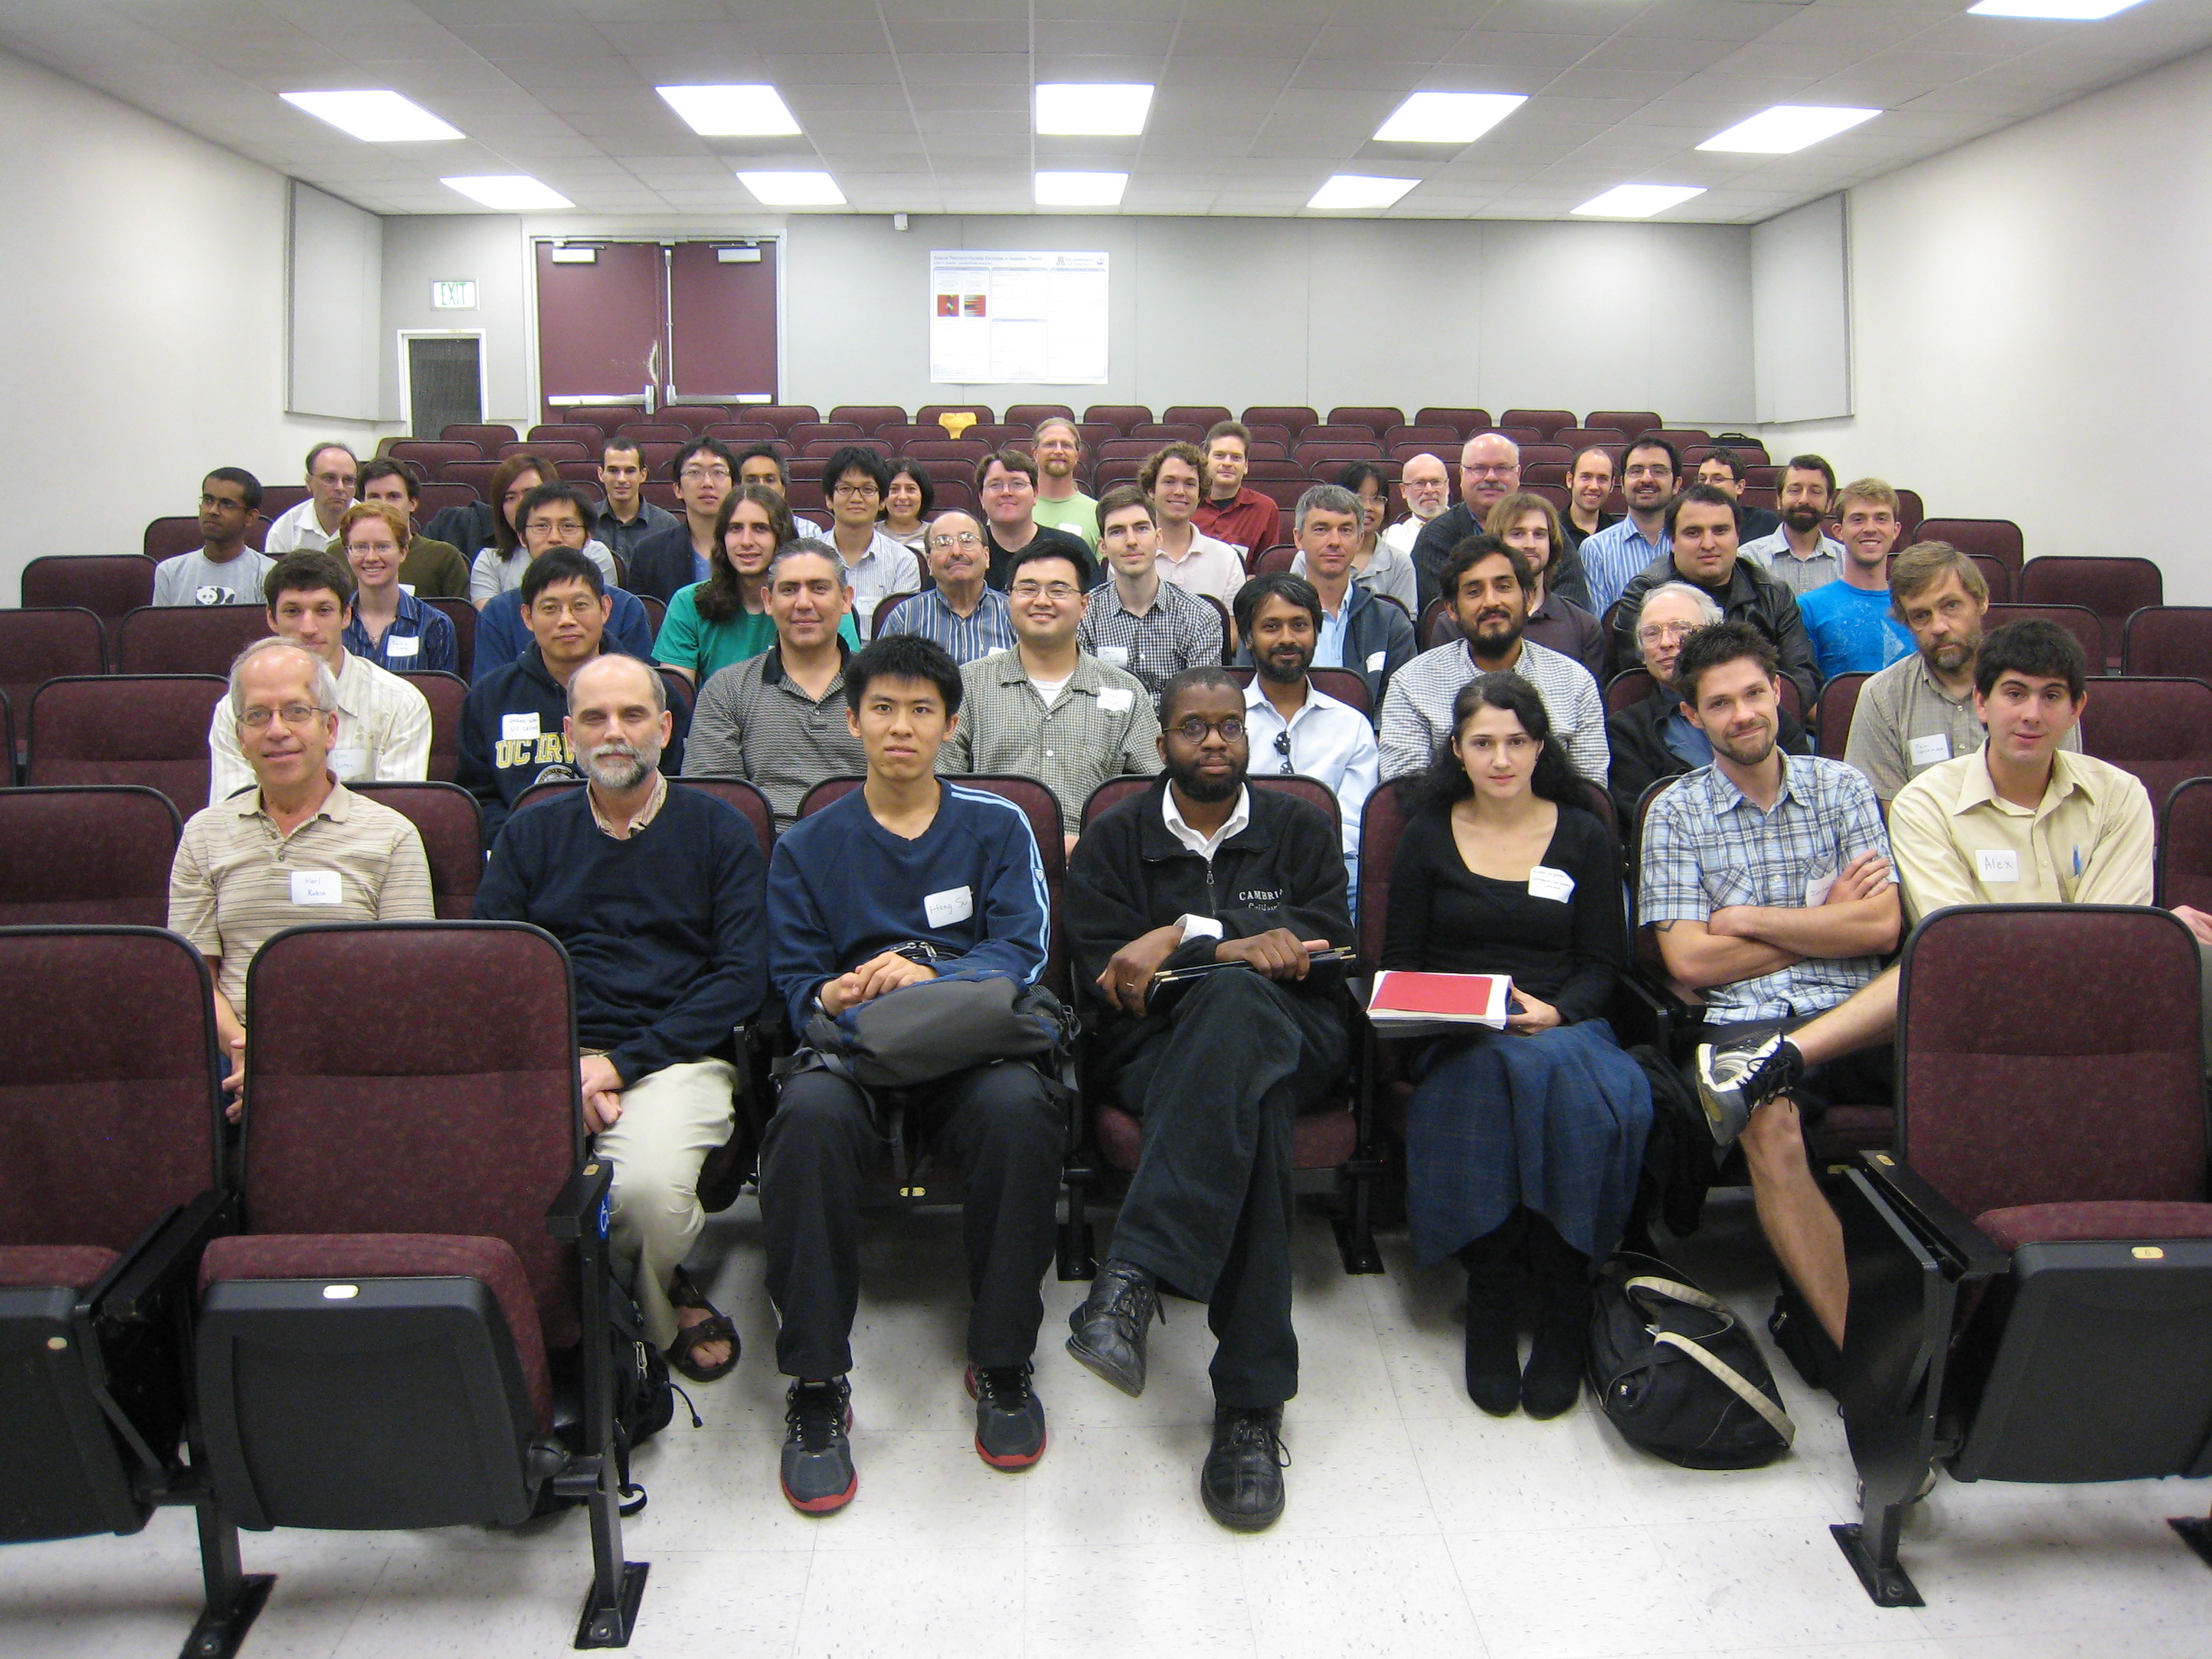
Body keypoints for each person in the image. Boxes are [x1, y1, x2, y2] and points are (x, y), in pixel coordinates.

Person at [761, 635, 1065, 1509]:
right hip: (855, 1046)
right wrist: (834, 988)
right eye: (883, 709)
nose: (902, 727)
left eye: (922, 710)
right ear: (852, 722)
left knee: (1019, 1110)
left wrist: (931, 973)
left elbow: (1023, 950)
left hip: (970, 1042)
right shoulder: (808, 844)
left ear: (951, 726)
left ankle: (1002, 1358)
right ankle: (817, 1381)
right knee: (807, 1121)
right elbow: (794, 980)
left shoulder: (998, 824)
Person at [1063, 667, 1356, 1532]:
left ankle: (1134, 1274)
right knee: (1248, 1095)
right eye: (1195, 727)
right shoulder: (1115, 839)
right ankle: (1251, 1410)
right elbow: (1107, 980)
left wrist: (1188, 936)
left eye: (1230, 725)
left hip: (1299, 1037)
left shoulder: (1298, 826)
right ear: (1163, 743)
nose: (1216, 740)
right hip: (1153, 1048)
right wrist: (1234, 951)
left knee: (1240, 1018)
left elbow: (1335, 947)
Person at [475, 652, 763, 1381]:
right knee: (467, 1178)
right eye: (595, 718)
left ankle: (623, 1333)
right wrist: (564, 1071)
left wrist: (617, 1066)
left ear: (664, 729)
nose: (614, 732)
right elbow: (495, 970)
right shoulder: (529, 834)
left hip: (674, 1057)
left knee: (645, 1199)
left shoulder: (720, 830)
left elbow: (741, 979)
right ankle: (643, 1306)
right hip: (548, 1057)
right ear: (569, 733)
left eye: (633, 715)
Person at [1384, 674, 1650, 1417]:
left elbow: (1602, 963)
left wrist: (1558, 1012)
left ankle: (1565, 1297)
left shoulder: (1584, 833)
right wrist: (1470, 1010)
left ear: (1540, 748)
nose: (1500, 759)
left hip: (1566, 1026)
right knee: (1501, 1069)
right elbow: (1401, 963)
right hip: (1460, 1034)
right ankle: (1493, 1294)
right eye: (1483, 743)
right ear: (1457, 751)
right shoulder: (1426, 834)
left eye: (1516, 742)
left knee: (1553, 1074)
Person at [1640, 621, 1900, 1351]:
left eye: (1755, 694)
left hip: (1860, 1011)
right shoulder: (1676, 812)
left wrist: (1750, 921)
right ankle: (1857, 1352)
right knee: (1764, 1115)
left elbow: (1882, 928)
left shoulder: (1842, 787)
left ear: (1779, 691)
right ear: (1692, 716)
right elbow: (1691, 963)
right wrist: (1828, 921)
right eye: (1720, 704)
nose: (1744, 714)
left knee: (1932, 988)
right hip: (1745, 1023)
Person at [171, 636, 434, 1116]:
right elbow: (195, 977)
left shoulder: (393, 835)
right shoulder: (203, 834)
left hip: (354, 1055)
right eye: (258, 716)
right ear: (240, 737)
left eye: (296, 711)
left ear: (329, 728)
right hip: (232, 1055)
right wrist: (247, 1055)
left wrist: (291, 1070)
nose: (277, 731)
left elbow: (407, 980)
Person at [457, 549, 682, 847]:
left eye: (580, 606)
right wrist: (521, 843)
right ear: (527, 616)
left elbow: (677, 784)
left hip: (638, 846)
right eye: (550, 608)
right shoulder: (489, 696)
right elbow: (478, 797)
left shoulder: (652, 691)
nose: (566, 620)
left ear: (605, 609)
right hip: (526, 851)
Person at [942, 542, 1161, 845]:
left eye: (1058, 590)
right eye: (1028, 589)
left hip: (1093, 859)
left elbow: (1152, 792)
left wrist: (1093, 845)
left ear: (1084, 605)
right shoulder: (969, 684)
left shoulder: (1126, 690)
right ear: (1009, 599)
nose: (1042, 601)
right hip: (989, 856)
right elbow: (942, 788)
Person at [1845, 540, 2077, 801]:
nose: (1939, 627)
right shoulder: (1882, 696)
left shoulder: (2041, 685)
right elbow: (1885, 807)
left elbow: (2064, 795)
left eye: (1951, 606)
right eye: (1921, 616)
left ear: (1981, 602)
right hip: (1920, 829)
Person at [207, 551, 431, 804]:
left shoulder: (401, 702)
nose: (308, 628)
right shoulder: (236, 709)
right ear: (271, 618)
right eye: (293, 611)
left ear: (346, 615)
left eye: (323, 610)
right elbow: (231, 813)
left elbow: (397, 816)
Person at [1380, 538, 1608, 784]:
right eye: (1474, 592)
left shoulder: (1575, 682)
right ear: (1452, 609)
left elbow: (1591, 788)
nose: (1491, 601)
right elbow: (1403, 789)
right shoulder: (1412, 683)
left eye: (1504, 587)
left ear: (1529, 599)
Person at [683, 541, 867, 829]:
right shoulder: (726, 690)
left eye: (819, 588)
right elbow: (714, 802)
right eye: (789, 590)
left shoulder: (883, 688)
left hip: (868, 844)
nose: (803, 603)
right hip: (763, 848)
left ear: (845, 600)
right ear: (768, 601)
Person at [1604, 581, 1812, 824]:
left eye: (1680, 628)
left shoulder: (1765, 716)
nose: (1666, 642)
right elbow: (1643, 821)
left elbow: (1806, 791)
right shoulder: (1625, 732)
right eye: (1652, 633)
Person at [1610, 484, 1821, 712]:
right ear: (1672, 540)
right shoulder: (1645, 594)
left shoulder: (1773, 594)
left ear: (1738, 536)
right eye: (1693, 533)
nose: (1708, 544)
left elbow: (1801, 679)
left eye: (1720, 531)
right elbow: (1636, 681)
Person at [1234, 573, 1380, 899]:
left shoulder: (1350, 724)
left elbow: (1353, 826)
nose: (1287, 638)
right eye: (1271, 627)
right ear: (1248, 638)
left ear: (1316, 633)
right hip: (1241, 869)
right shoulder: (1226, 723)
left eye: (1299, 625)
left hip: (1330, 871)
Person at [655, 486, 860, 684]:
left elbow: (847, 686)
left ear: (781, 535)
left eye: (760, 528)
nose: (746, 541)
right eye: (735, 529)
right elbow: (678, 697)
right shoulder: (688, 603)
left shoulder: (824, 605)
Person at [469, 483, 657, 681]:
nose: (555, 538)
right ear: (522, 537)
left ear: (588, 537)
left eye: (568, 526)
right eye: (541, 526)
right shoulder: (498, 613)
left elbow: (642, 687)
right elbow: (491, 690)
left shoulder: (626, 608)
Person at [1276, 482, 1417, 706]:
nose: (1334, 542)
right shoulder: (1268, 620)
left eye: (1345, 530)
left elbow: (1399, 707)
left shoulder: (1390, 623)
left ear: (1360, 539)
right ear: (1298, 538)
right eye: (1321, 529)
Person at [1077, 485, 1226, 698]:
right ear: (1103, 547)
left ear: (1159, 539)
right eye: (1117, 532)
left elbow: (1202, 703)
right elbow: (1083, 698)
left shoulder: (1200, 616)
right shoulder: (1083, 615)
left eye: (1141, 528)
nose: (1131, 541)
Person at [1795, 476, 1915, 679]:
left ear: (1896, 531)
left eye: (1881, 519)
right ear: (1839, 531)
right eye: (1858, 519)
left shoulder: (1915, 605)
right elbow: (1805, 690)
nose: (1870, 528)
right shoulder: (1809, 607)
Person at [467, 454, 618, 603]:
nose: (521, 505)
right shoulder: (489, 561)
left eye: (530, 493)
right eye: (510, 498)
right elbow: (492, 616)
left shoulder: (594, 554)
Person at [878, 510, 1017, 664]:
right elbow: (881, 675)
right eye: (943, 543)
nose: (956, 552)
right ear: (929, 563)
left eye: (967, 540)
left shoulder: (1014, 614)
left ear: (986, 556)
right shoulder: (905, 617)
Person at [1487, 491, 1601, 675]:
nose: (1530, 544)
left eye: (1539, 534)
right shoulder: (1466, 621)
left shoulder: (1584, 627)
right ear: (1497, 541)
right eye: (1518, 534)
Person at [337, 501, 458, 673]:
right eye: (360, 547)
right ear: (347, 554)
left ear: (403, 552)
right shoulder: (332, 622)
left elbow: (444, 689)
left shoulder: (434, 625)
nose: (371, 557)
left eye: (382, 546)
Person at [1411, 432, 1523, 618]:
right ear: (1462, 475)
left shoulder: (1543, 531)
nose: (1491, 477)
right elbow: (1440, 614)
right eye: (1479, 468)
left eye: (1502, 468)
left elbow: (1567, 604)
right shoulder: (1434, 538)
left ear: (1518, 474)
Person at [1289, 461, 1419, 614]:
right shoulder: (1306, 558)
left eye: (1377, 499)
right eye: (1358, 498)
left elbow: (1404, 620)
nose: (1368, 507)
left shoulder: (1400, 563)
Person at [816, 444, 921, 633]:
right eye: (845, 488)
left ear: (882, 501)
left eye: (868, 489)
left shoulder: (903, 561)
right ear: (829, 499)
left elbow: (901, 634)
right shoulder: (807, 557)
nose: (856, 498)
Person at [623, 436, 737, 606]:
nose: (707, 483)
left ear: (734, 487)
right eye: (694, 472)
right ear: (678, 489)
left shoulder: (750, 547)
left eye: (718, 472)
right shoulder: (649, 554)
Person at [1578, 433, 1679, 616]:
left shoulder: (1691, 545)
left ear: (1676, 485)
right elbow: (1600, 627)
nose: (1646, 479)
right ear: (1622, 485)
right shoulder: (1596, 550)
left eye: (1658, 471)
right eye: (1636, 471)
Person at [1142, 441, 1247, 614]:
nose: (1179, 491)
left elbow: (1232, 627)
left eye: (1190, 484)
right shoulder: (1131, 554)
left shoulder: (1227, 559)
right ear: (1151, 490)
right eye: (1169, 482)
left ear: (1200, 494)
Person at [977, 448, 1096, 590]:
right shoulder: (968, 551)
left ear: (1035, 494)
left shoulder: (1072, 548)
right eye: (995, 485)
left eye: (1017, 484)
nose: (1006, 492)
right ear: (981, 498)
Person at [154, 467, 274, 606]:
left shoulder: (269, 574)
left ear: (250, 517)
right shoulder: (170, 572)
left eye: (227, 504)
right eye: (208, 500)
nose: (213, 511)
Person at [354, 459, 469, 598]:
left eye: (393, 496)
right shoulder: (338, 555)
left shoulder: (444, 557)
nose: (383, 505)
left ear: (412, 503)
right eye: (374, 497)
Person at [1739, 456, 1842, 596]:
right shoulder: (1749, 559)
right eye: (1795, 490)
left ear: (1829, 504)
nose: (1804, 500)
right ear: (1779, 500)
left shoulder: (1847, 561)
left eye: (1815, 492)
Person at [1191, 421, 1280, 562]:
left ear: (1246, 466)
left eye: (1236, 457)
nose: (1227, 463)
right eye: (1219, 455)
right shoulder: (1187, 502)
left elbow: (1266, 569)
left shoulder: (1265, 509)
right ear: (1205, 461)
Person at [590, 436, 681, 568]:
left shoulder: (666, 525)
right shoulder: (585, 520)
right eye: (613, 470)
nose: (621, 479)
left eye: (630, 471)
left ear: (643, 475)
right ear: (601, 474)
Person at [261, 443, 358, 554]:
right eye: (329, 478)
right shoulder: (285, 529)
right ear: (309, 482)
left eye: (349, 480)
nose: (340, 488)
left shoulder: (370, 522)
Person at [1028, 416, 1099, 548]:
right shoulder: (1016, 508)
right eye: (1050, 444)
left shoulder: (1096, 513)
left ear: (1077, 456)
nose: (1058, 451)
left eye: (1066, 445)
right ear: (1035, 453)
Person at [735, 444, 827, 538]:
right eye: (751, 480)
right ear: (737, 488)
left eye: (770, 480)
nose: (762, 486)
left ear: (783, 489)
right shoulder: (729, 530)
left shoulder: (809, 532)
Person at [1696, 449, 1781, 544]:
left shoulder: (1763, 522)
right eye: (1702, 479)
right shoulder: (1686, 519)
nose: (1707, 484)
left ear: (1739, 486)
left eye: (1718, 479)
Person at [1381, 451, 1452, 563]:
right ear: (1403, 491)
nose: (1429, 490)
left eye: (1436, 482)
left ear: (1447, 486)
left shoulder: (1469, 527)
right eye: (1420, 483)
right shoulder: (1393, 538)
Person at [1560, 445, 1619, 555]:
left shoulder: (1621, 533)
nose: (1594, 486)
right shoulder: (1551, 530)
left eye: (1602, 479)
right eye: (1586, 477)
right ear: (1570, 480)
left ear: (1612, 485)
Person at [881, 457, 935, 554]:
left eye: (911, 489)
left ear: (923, 494)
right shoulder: (867, 535)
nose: (902, 497)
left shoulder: (937, 534)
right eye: (894, 489)